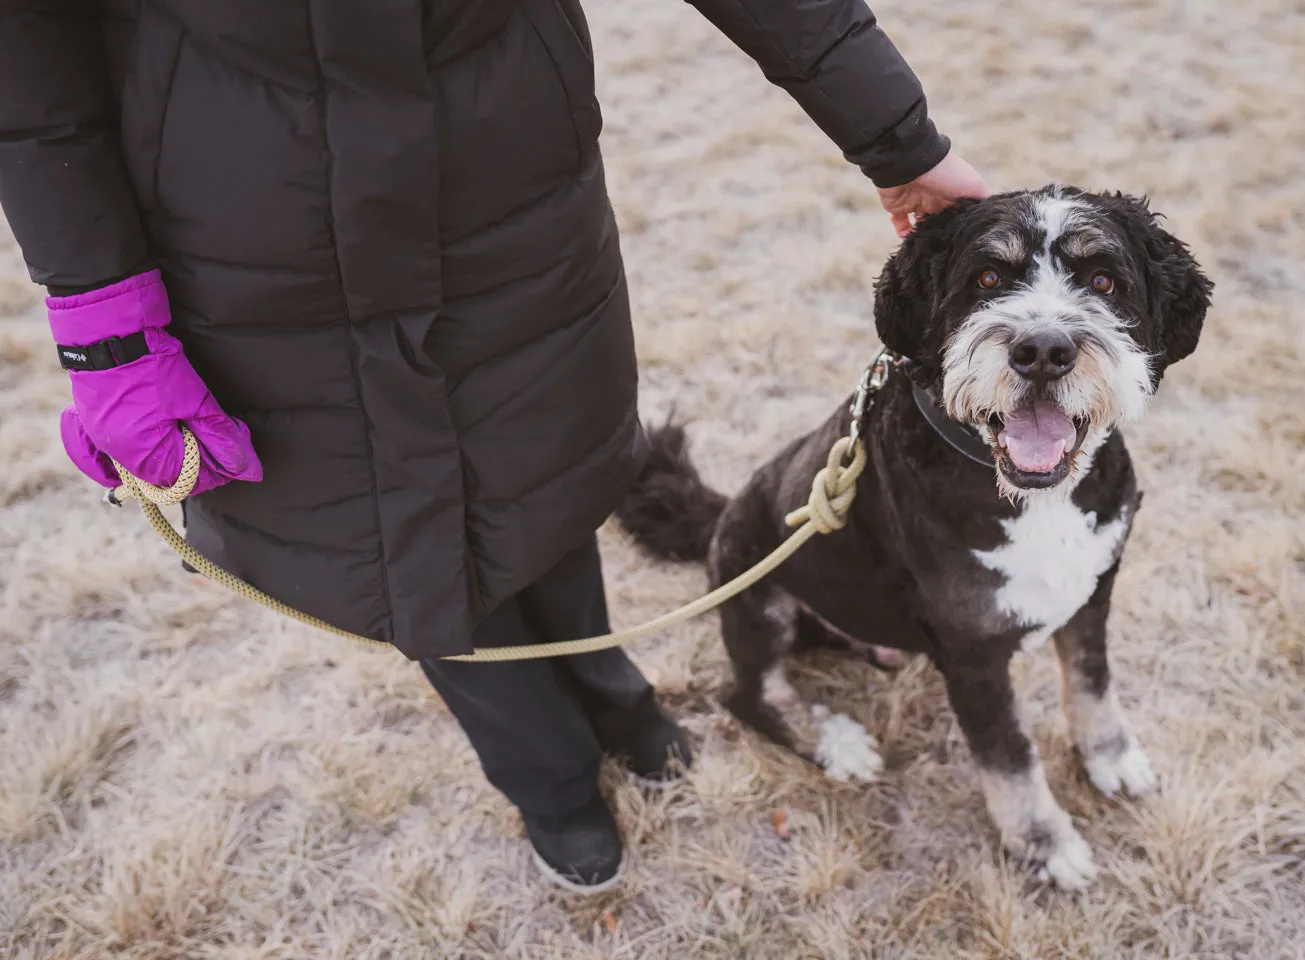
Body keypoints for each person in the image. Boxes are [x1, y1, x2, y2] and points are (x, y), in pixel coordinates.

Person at [0, 0, 988, 892]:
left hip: (508, 176)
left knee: (545, 474)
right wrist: (106, 319)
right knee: (394, 539)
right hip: (242, 225)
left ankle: (612, 694)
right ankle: (546, 774)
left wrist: (892, 132)